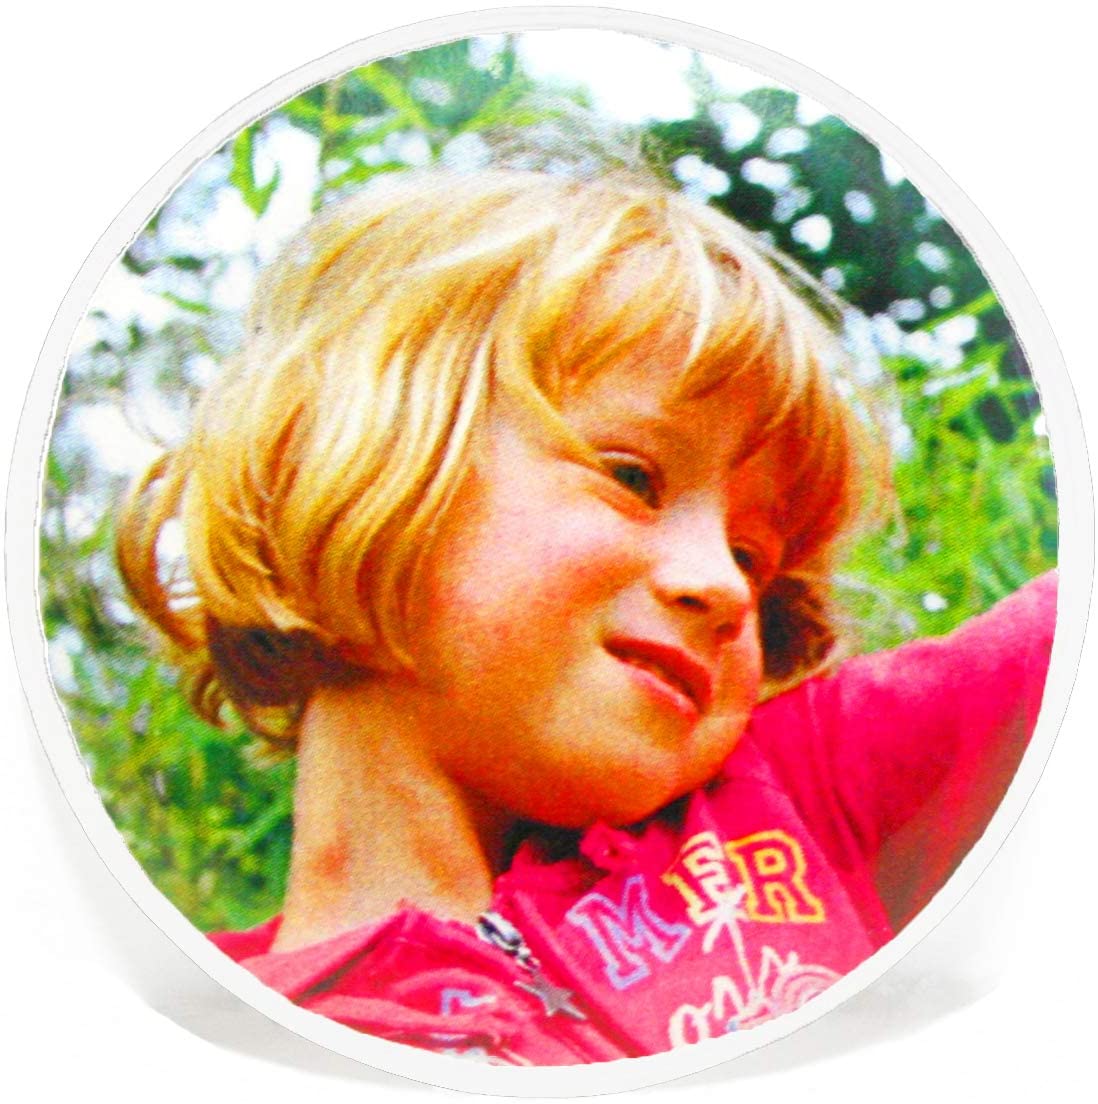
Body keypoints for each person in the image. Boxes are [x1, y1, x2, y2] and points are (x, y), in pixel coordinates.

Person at [115, 168, 1056, 1065]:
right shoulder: (195, 1033)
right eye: (634, 478)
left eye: (751, 556)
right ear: (349, 465)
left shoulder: (804, 795)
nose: (728, 588)